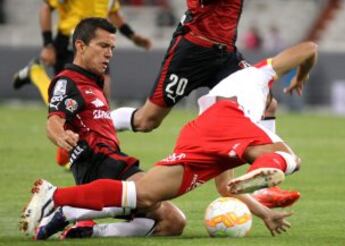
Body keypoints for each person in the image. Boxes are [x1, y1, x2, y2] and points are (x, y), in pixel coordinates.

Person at [20, 41, 318, 238]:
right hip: (228, 113)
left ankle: (56, 197)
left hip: (202, 133)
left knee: (144, 193)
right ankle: (267, 169)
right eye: (270, 113)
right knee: (289, 157)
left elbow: (227, 187)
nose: (270, 114)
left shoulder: (246, 131)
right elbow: (309, 47)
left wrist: (265, 213)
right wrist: (301, 74)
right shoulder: (258, 76)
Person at [110, 0, 300, 208]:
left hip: (224, 54)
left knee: (268, 103)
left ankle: (264, 187)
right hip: (192, 51)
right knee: (146, 120)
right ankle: (97, 125)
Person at [18, 17, 185, 240]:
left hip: (113, 161)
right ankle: (62, 206)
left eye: (112, 48)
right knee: (151, 193)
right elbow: (53, 121)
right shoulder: (67, 81)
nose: (109, 53)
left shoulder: (94, 83)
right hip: (98, 161)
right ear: (80, 46)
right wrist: (62, 136)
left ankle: (88, 231)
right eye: (103, 46)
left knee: (174, 222)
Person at [12, 0, 151, 167]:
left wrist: (133, 36)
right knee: (63, 99)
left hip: (99, 44)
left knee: (101, 97)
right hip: (74, 42)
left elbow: (114, 15)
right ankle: (36, 73)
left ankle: (86, 149)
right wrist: (48, 44)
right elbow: (46, 8)